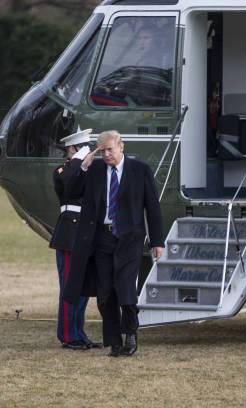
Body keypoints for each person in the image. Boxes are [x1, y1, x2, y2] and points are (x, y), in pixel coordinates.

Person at [63, 130, 164, 357]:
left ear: (121, 147)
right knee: (106, 293)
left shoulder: (140, 170)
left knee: (126, 288)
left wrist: (157, 241)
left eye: (110, 149)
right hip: (102, 239)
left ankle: (130, 334)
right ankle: (114, 340)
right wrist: (83, 167)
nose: (107, 154)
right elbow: (70, 191)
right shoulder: (95, 170)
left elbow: (153, 208)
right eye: (103, 151)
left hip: (130, 239)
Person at [50, 129, 102, 350]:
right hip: (69, 234)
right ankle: (68, 336)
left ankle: (79, 333)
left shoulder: (87, 170)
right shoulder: (64, 169)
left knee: (83, 288)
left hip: (87, 234)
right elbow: (70, 185)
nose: (87, 153)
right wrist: (78, 163)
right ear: (72, 150)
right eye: (81, 149)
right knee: (70, 288)